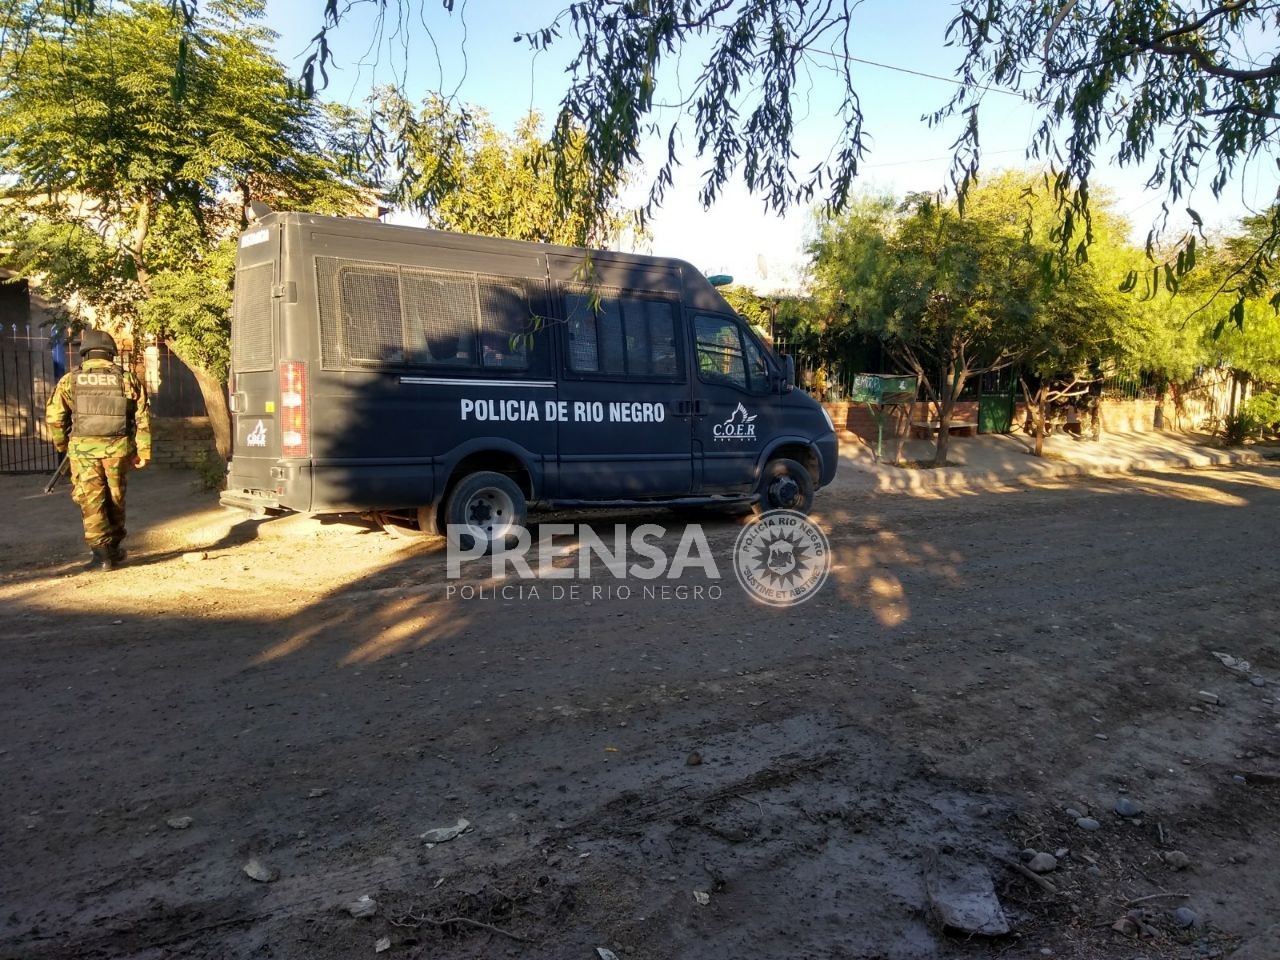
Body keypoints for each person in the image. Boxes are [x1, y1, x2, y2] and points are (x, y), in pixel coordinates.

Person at [45, 329, 151, 570]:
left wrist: (63, 445)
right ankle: (114, 549)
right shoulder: (126, 379)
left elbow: (55, 418)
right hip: (118, 449)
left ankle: (101, 556)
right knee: (115, 497)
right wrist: (143, 451)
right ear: (111, 352)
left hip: (84, 452)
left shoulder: (70, 380)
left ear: (85, 352)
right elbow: (142, 416)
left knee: (91, 499)